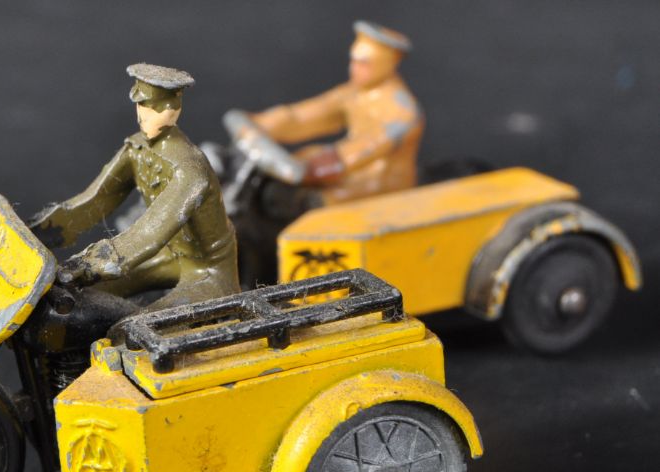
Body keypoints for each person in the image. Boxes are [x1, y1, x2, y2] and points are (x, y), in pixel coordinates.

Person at [28, 63, 239, 309]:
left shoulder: (190, 170)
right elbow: (96, 199)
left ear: (172, 111)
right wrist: (39, 231)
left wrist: (88, 264)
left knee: (134, 326)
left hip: (209, 271)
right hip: (167, 255)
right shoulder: (137, 148)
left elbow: (150, 232)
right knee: (76, 301)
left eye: (152, 108)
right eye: (140, 106)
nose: (142, 115)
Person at [250, 20, 423, 205]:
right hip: (351, 173)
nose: (354, 68)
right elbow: (305, 116)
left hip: (380, 184)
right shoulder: (352, 93)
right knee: (300, 158)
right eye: (354, 60)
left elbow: (370, 146)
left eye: (364, 63)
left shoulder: (403, 111)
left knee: (313, 202)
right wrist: (261, 124)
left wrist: (324, 165)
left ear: (386, 64)